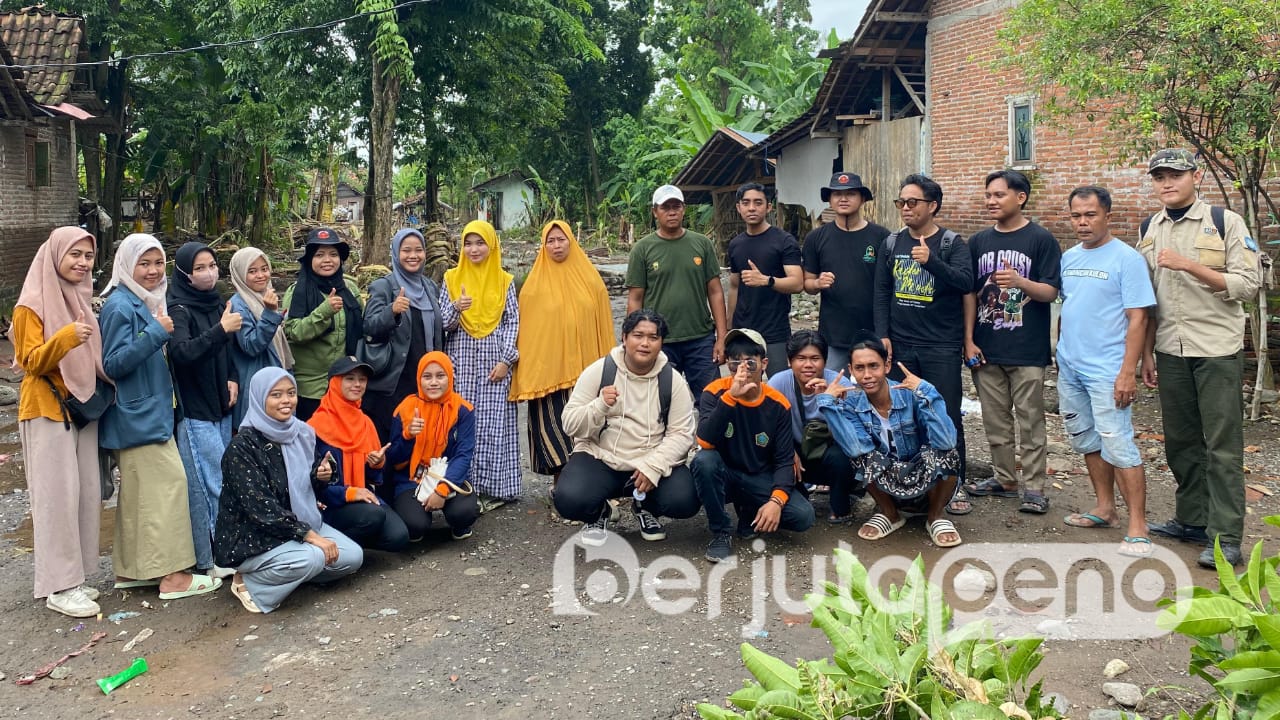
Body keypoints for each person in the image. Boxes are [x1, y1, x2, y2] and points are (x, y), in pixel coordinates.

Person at [1138, 149, 1262, 568]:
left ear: (1196, 176)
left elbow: (1248, 285)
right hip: (1170, 349)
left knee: (1222, 447)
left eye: (1175, 175)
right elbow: (1147, 300)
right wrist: (1146, 353)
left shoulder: (1225, 222)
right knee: (1181, 442)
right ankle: (1192, 519)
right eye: (1159, 177)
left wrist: (1189, 266)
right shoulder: (1149, 228)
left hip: (1216, 350)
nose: (1167, 183)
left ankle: (1226, 537)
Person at [100, 234, 221, 601]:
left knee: (139, 495)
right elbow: (113, 364)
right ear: (127, 265)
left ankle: (132, 571)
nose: (153, 271)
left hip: (149, 413)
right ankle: (174, 576)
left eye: (157, 263)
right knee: (171, 486)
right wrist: (156, 332)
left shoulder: (142, 301)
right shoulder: (120, 306)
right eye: (144, 264)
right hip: (138, 417)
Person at [13, 227, 109, 617]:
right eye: (75, 255)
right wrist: (66, 338)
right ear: (55, 256)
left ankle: (76, 577)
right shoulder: (31, 304)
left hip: (80, 408)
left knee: (85, 493)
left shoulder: (79, 299)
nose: (82, 263)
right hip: (46, 409)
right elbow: (29, 361)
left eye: (88, 256)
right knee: (56, 498)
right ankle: (58, 586)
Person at [1057, 187, 1157, 557]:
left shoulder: (1127, 260)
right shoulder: (1069, 257)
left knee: (1119, 442)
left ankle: (1138, 526)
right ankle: (1104, 508)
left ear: (1108, 216)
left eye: (1090, 215)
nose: (1082, 223)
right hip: (1071, 366)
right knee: (1087, 439)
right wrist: (1060, 353)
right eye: (1076, 216)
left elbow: (1139, 318)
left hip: (1108, 370)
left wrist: (1129, 371)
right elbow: (1070, 307)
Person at [217, 369, 364, 614]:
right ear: (259, 398)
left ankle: (291, 573)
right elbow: (261, 508)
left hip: (298, 521)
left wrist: (321, 475)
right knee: (314, 557)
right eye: (276, 395)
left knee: (352, 557)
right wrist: (310, 536)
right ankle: (250, 583)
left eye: (291, 393)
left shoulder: (302, 432)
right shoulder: (242, 447)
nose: (286, 400)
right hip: (255, 535)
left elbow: (307, 486)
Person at [962, 170, 1061, 514]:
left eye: (999, 195)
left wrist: (1020, 281)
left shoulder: (1041, 239)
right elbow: (970, 294)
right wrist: (968, 339)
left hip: (1027, 349)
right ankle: (1004, 479)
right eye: (988, 195)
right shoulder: (978, 242)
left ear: (1020, 198)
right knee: (995, 421)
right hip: (986, 348)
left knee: (1031, 421)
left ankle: (1034, 488)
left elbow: (1050, 291)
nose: (991, 201)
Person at [556, 309, 700, 546]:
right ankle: (599, 513)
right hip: (600, 457)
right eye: (638, 335)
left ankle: (644, 506)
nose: (645, 343)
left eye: (653, 337)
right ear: (624, 337)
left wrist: (654, 466)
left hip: (648, 460)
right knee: (570, 499)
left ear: (661, 343)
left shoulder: (672, 380)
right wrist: (599, 406)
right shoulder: (600, 371)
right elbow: (570, 424)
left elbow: (682, 434)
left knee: (686, 500)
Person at [874, 173, 974, 513]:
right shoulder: (892, 243)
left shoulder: (950, 243)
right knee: (903, 414)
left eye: (912, 202)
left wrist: (932, 262)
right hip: (902, 344)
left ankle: (954, 485)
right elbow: (882, 292)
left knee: (946, 415)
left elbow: (965, 283)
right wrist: (883, 334)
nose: (905, 208)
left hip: (941, 346)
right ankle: (910, 483)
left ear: (932, 205)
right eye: (901, 202)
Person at [817, 338, 963, 547]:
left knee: (948, 452)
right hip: (888, 482)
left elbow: (946, 440)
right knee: (861, 456)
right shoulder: (851, 402)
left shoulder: (911, 394)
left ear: (886, 366)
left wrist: (926, 391)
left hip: (926, 479)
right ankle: (890, 514)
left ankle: (935, 517)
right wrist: (828, 404)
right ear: (851, 370)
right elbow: (855, 448)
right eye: (859, 368)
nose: (867, 375)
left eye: (873, 366)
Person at [692, 328, 815, 562]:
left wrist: (776, 501)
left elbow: (783, 460)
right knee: (703, 461)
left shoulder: (778, 404)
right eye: (734, 363)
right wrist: (731, 397)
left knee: (803, 516)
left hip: (758, 474)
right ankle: (721, 532)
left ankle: (749, 509)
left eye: (750, 363)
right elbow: (705, 441)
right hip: (725, 473)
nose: (742, 370)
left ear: (763, 364)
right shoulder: (714, 392)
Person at [510, 221, 615, 483]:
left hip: (586, 373)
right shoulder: (532, 289)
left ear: (571, 241)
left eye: (561, 239)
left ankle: (592, 483)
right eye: (550, 241)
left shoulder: (592, 282)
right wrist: (528, 375)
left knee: (589, 428)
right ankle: (561, 485)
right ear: (543, 246)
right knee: (554, 429)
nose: (556, 245)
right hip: (550, 376)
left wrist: (610, 365)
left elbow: (603, 325)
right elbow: (528, 336)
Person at [169, 241, 240, 577]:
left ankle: (224, 550)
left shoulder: (215, 302)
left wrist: (232, 377)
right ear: (184, 273)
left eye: (212, 266)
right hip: (195, 407)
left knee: (222, 478)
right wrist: (220, 330)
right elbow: (181, 353)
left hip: (220, 402)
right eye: (199, 268)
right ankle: (212, 558)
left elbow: (226, 348)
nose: (208, 273)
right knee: (208, 482)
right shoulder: (178, 308)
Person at [440, 220, 521, 506]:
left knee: (493, 424)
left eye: (480, 243)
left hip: (493, 364)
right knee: (461, 422)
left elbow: (512, 322)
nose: (473, 249)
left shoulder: (504, 280)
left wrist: (506, 360)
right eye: (468, 243)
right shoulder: (451, 278)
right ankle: (461, 485)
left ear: (492, 246)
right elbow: (444, 323)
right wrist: (456, 307)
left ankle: (494, 489)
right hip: (461, 362)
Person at [626, 184, 729, 395]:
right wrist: (631, 338)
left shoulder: (702, 244)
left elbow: (715, 292)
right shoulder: (642, 249)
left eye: (676, 206)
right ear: (655, 212)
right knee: (658, 400)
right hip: (658, 340)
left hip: (700, 338)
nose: (671, 212)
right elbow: (635, 298)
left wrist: (721, 337)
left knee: (711, 398)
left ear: (684, 209)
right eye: (665, 207)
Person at [308, 357, 409, 552]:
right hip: (328, 504)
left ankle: (350, 546)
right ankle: (331, 550)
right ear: (335, 382)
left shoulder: (365, 423)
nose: (357, 384)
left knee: (398, 536)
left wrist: (376, 464)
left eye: (362, 380)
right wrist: (349, 493)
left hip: (361, 498)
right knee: (373, 516)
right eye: (350, 378)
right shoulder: (314, 427)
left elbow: (373, 478)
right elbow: (311, 486)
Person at [361, 228, 444, 454]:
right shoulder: (384, 286)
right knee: (392, 441)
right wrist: (392, 311)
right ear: (396, 253)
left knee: (420, 439)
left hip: (424, 379)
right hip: (395, 380)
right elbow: (368, 327)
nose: (413, 255)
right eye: (406, 250)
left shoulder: (430, 287)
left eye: (418, 250)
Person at [765, 330, 859, 523]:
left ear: (825, 361)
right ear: (789, 361)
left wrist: (827, 402)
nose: (808, 364)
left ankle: (841, 507)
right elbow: (768, 428)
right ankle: (797, 497)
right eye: (801, 358)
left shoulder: (839, 383)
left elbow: (850, 437)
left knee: (843, 459)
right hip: (793, 449)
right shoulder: (777, 383)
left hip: (829, 449)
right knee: (771, 454)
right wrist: (788, 452)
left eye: (815, 358)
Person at [386, 352, 481, 541]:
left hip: (448, 476)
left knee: (465, 512)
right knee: (414, 525)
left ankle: (459, 525)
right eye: (427, 376)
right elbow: (393, 460)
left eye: (440, 375)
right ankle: (418, 520)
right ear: (419, 379)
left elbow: (463, 455)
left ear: (450, 377)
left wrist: (442, 490)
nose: (434, 382)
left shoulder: (463, 409)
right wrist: (407, 436)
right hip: (412, 479)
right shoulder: (405, 408)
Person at [801, 172, 890, 370]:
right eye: (837, 194)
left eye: (850, 194)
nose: (843, 199)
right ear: (829, 200)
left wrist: (885, 332)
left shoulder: (882, 236)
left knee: (873, 384)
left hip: (874, 333)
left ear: (863, 199)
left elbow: (889, 286)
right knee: (832, 384)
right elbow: (807, 284)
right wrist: (818, 283)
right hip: (834, 335)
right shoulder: (816, 238)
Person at [284, 228, 364, 420]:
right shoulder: (297, 292)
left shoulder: (350, 289)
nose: (327, 260)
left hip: (344, 385)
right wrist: (324, 311)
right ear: (309, 259)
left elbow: (363, 325)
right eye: (319, 255)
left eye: (333, 254)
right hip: (309, 389)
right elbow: (293, 332)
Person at [726, 183, 803, 371]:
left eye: (758, 203)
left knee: (778, 383)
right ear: (739, 207)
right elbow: (734, 286)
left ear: (768, 207)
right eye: (746, 203)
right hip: (743, 331)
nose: (752, 208)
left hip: (774, 331)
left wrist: (766, 280)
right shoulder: (735, 244)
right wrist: (729, 328)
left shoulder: (784, 241)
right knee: (743, 383)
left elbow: (797, 283)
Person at [228, 247, 292, 429]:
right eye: (252, 271)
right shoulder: (238, 305)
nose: (261, 275)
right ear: (240, 275)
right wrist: (270, 314)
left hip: (274, 376)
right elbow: (251, 345)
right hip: (255, 380)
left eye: (264, 269)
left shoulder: (265, 297)